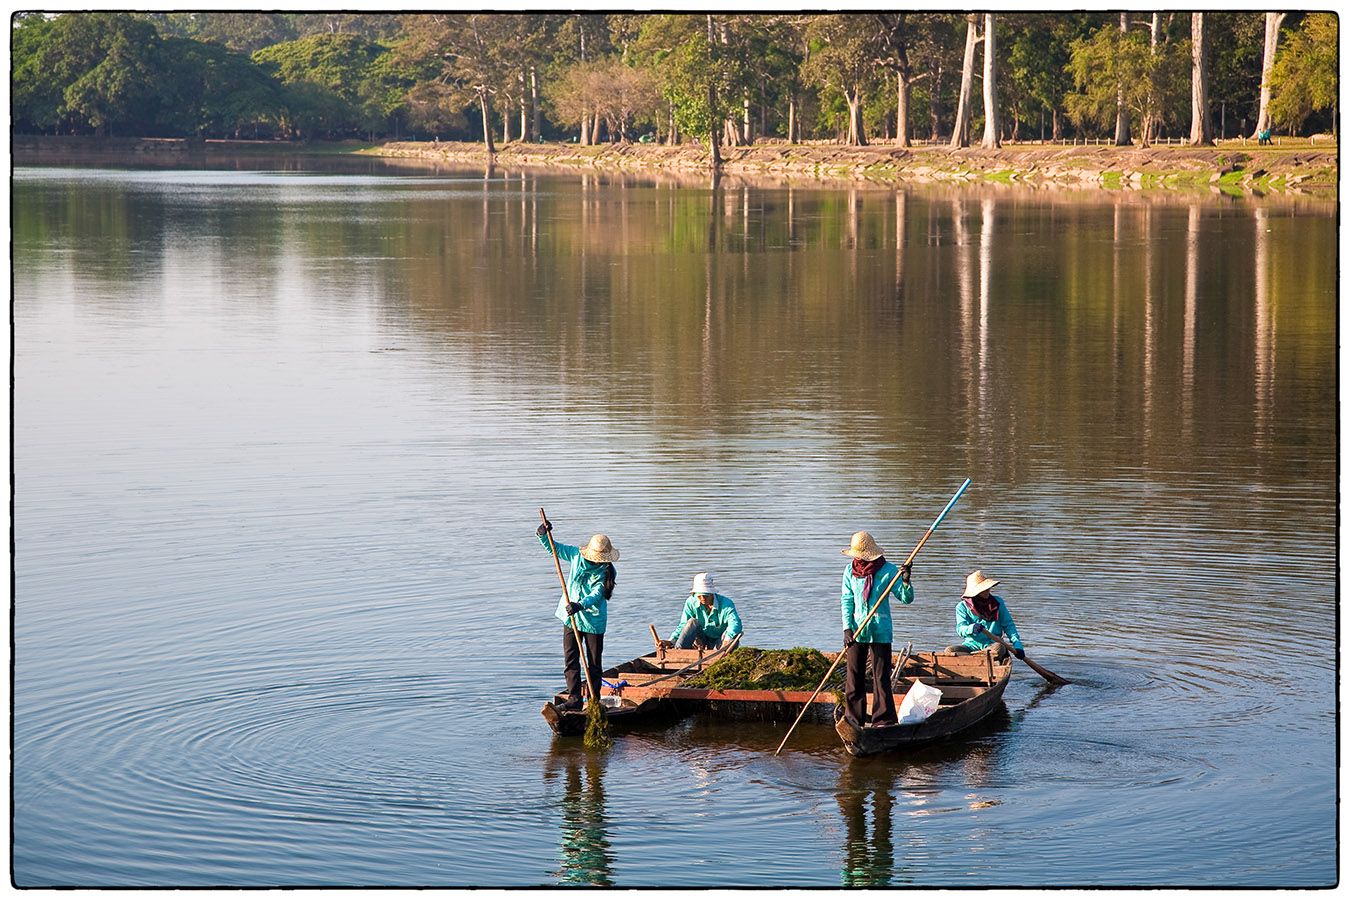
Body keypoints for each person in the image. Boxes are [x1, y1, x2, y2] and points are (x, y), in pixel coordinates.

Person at [538, 517, 619, 710]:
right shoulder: (576, 555)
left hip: (593, 621)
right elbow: (554, 549)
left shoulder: (606, 571)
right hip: (571, 617)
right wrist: (543, 533)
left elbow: (597, 594)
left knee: (594, 663)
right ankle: (574, 700)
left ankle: (593, 701)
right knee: (571, 659)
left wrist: (579, 605)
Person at [840, 531, 914, 727]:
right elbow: (847, 600)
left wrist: (905, 580)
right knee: (853, 678)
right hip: (857, 631)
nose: (857, 558)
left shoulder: (888, 571)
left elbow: (906, 599)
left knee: (881, 678)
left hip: (880, 631)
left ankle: (883, 720)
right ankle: (853, 719)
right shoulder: (850, 571)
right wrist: (847, 628)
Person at [946, 570, 1026, 661]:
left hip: (993, 645)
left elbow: (1009, 626)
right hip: (971, 647)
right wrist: (971, 628)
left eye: (988, 588)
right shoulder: (962, 607)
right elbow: (960, 629)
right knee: (949, 651)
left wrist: (1017, 645)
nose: (988, 590)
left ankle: (977, 659)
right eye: (983, 589)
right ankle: (977, 659)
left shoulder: (998, 603)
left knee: (999, 648)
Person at [657, 572, 743, 650]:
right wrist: (671, 641)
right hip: (700, 640)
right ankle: (679, 651)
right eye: (699, 596)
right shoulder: (691, 602)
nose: (702, 599)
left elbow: (735, 624)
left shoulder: (726, 603)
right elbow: (683, 625)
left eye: (706, 596)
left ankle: (722, 653)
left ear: (712, 594)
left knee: (733, 637)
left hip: (720, 640)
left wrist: (726, 641)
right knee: (691, 622)